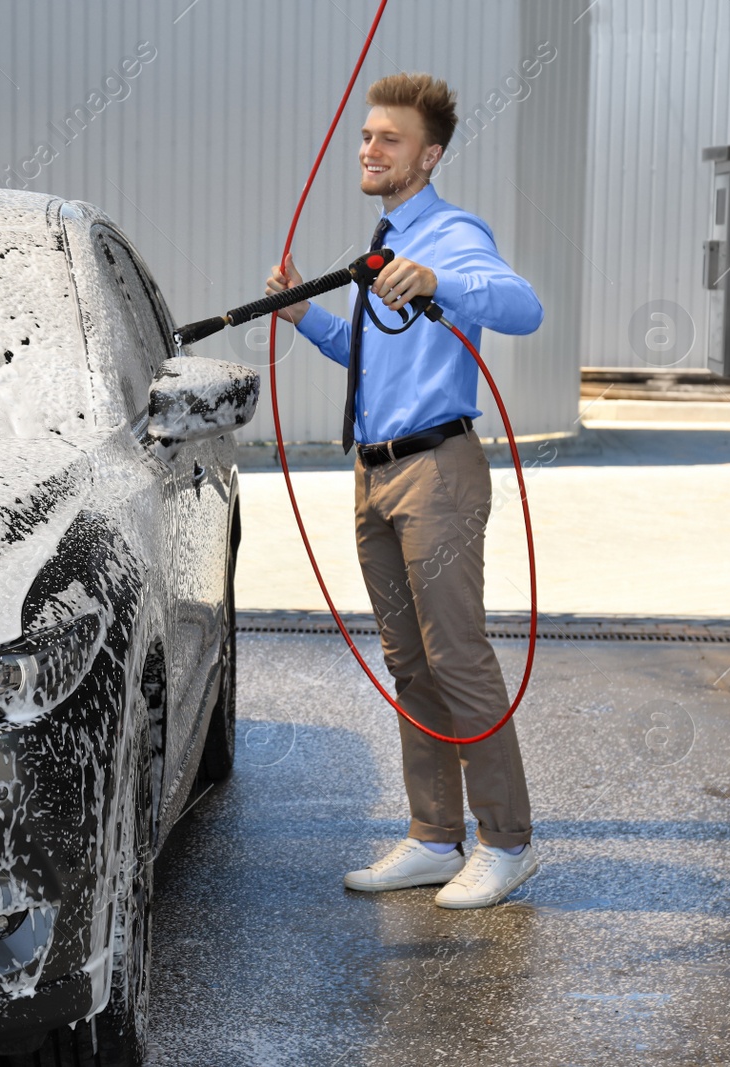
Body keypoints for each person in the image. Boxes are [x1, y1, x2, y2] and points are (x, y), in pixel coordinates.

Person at [264, 72, 544, 909]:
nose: (369, 148)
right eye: (365, 135)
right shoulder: (383, 242)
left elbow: (522, 306)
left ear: (429, 155)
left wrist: (438, 281)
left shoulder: (453, 236)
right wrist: (301, 314)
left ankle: (508, 840)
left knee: (457, 656)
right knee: (410, 663)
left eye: (389, 138)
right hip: (375, 472)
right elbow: (367, 350)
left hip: (437, 472)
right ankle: (433, 836)